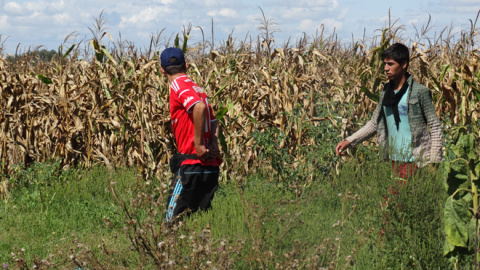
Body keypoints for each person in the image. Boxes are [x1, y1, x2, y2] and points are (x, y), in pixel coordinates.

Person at [335, 43, 442, 177]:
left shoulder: (419, 92)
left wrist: (434, 161)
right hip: (392, 161)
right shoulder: (385, 92)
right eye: (385, 64)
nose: (386, 68)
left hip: (417, 162)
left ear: (403, 64)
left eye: (390, 64)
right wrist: (349, 141)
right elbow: (374, 123)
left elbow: (435, 126)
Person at [160, 47, 222, 222]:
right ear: (186, 65)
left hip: (191, 165)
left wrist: (199, 144)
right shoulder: (198, 89)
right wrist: (214, 145)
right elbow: (214, 120)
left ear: (162, 70)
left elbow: (199, 108)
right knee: (198, 223)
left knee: (171, 222)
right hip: (210, 167)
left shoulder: (179, 85)